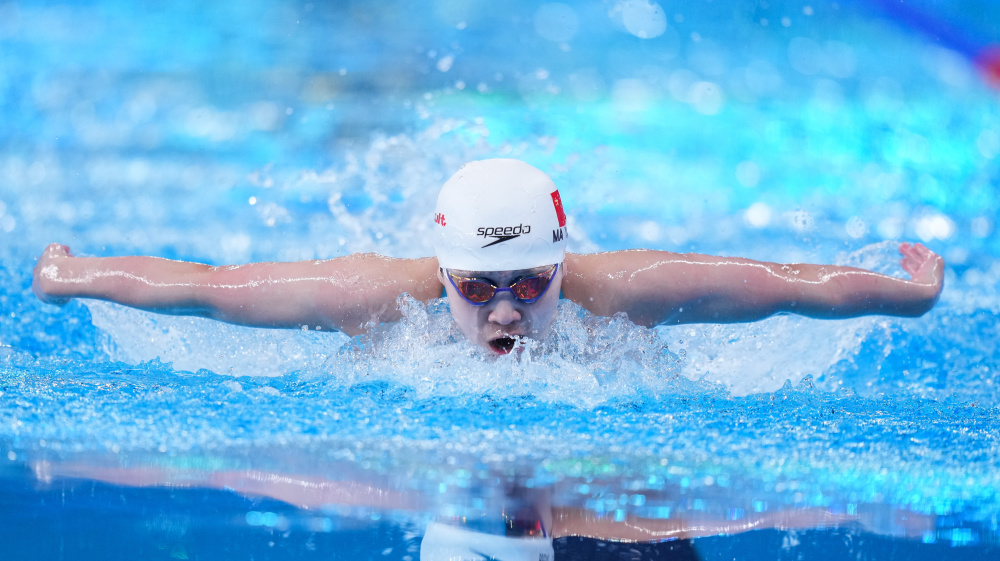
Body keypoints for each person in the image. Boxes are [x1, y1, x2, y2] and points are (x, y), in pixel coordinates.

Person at [32, 158, 945, 355]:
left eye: (530, 283)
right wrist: (71, 277)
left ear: (562, 264)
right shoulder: (370, 297)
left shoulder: (618, 290)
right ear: (439, 276)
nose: (506, 310)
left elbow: (784, 287)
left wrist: (902, 297)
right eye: (476, 286)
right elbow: (206, 291)